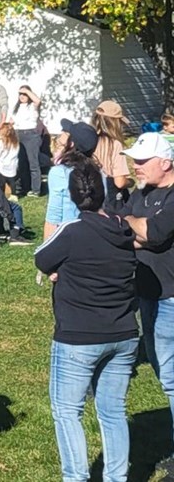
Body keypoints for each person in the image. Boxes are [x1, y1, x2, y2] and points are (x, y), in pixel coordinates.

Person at [35, 162, 138, 482]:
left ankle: (76, 477)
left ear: (73, 196)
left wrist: (59, 271)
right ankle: (116, 478)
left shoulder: (72, 231)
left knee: (67, 412)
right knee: (113, 411)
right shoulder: (124, 231)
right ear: (104, 191)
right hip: (124, 333)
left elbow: (42, 257)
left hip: (78, 337)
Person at [111, 132, 174, 477]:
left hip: (170, 298)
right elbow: (119, 226)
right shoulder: (142, 193)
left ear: (165, 163)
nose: (135, 166)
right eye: (133, 159)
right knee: (166, 375)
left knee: (172, 379)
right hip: (147, 295)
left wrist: (136, 231)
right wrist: (135, 230)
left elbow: (155, 234)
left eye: (142, 161)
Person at [44, 121, 115, 241]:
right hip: (95, 236)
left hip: (68, 238)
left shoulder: (59, 173)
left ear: (71, 143)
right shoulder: (100, 173)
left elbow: (53, 218)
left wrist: (46, 251)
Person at [13, 85, 46, 196]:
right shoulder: (16, 108)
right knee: (22, 163)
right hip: (18, 135)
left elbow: (38, 100)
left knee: (33, 163)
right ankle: (25, 187)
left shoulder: (32, 106)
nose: (22, 96)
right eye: (20, 94)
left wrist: (26, 90)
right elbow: (12, 121)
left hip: (30, 135)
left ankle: (36, 189)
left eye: (25, 94)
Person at [94, 100, 131, 192]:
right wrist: (131, 182)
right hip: (109, 194)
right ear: (115, 123)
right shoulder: (115, 144)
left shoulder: (90, 140)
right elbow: (120, 182)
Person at [0, 123, 22, 196]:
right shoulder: (16, 142)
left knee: (2, 180)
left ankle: (1, 193)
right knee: (12, 181)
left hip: (3, 165)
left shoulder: (2, 142)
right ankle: (14, 194)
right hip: (13, 164)